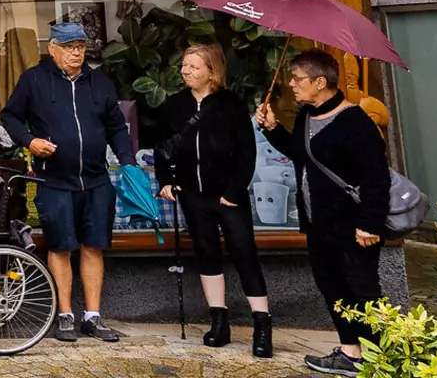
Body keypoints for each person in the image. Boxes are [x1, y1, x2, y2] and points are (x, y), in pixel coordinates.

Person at [0, 20, 135, 344]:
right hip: (54, 180)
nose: (77, 53)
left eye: (81, 47)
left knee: (93, 246)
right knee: (60, 246)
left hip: (96, 180)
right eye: (70, 47)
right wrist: (29, 141)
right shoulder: (34, 79)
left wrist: (128, 162)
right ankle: (64, 316)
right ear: (53, 49)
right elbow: (10, 116)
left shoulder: (99, 82)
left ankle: (93, 316)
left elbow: (116, 126)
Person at [258, 50, 391, 376]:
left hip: (354, 226)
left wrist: (370, 223)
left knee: (363, 291)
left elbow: (376, 176)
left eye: (297, 79)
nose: (291, 85)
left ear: (320, 82)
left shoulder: (354, 121)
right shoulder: (306, 116)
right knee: (332, 287)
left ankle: (383, 358)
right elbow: (298, 154)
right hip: (319, 224)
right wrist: (272, 128)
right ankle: (350, 353)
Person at [155, 43, 271, 356]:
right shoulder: (175, 105)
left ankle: (262, 324)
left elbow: (248, 151)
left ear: (212, 71)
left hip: (228, 196)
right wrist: (167, 180)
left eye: (193, 66)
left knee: (244, 253)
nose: (185, 71)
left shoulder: (231, 104)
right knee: (207, 254)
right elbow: (162, 147)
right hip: (193, 195)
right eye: (184, 65)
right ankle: (219, 321)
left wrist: (234, 191)